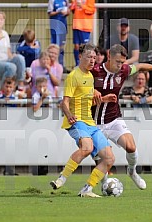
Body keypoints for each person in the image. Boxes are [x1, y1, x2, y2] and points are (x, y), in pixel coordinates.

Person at [91, 44, 152, 190]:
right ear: (109, 56)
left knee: (131, 147)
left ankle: (132, 172)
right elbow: (81, 86)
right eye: (118, 62)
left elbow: (139, 66)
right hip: (94, 123)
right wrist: (93, 90)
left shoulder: (124, 70)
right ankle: (105, 182)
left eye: (122, 62)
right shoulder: (95, 71)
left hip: (114, 119)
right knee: (102, 158)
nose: (121, 65)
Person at [50, 43, 115, 198]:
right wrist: (69, 114)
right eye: (89, 57)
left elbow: (86, 101)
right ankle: (61, 179)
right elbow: (64, 102)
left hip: (90, 123)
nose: (92, 60)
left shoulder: (90, 76)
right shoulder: (73, 76)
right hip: (77, 121)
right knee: (87, 147)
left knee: (109, 158)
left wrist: (104, 99)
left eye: (94, 57)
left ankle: (87, 189)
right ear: (80, 57)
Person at [70, 0, 96, 66]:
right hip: (76, 25)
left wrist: (82, 6)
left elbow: (91, 10)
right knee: (76, 46)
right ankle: (77, 64)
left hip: (85, 26)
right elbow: (73, 9)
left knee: (85, 47)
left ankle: (85, 64)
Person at [47, 0, 70, 68]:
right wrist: (58, 11)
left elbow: (68, 11)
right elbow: (50, 13)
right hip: (55, 26)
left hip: (63, 26)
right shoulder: (52, 1)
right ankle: (53, 65)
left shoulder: (65, 1)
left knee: (62, 47)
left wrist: (66, 12)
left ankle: (61, 65)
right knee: (54, 47)